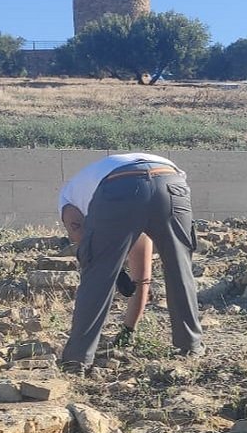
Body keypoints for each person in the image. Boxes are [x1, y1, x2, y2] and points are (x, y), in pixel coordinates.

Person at [58, 152, 203, 372]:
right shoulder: (91, 182)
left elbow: (82, 238)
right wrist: (129, 327)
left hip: (120, 188)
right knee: (180, 268)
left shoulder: (67, 199)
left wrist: (108, 267)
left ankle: (77, 359)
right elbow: (142, 277)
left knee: (97, 276)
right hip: (171, 183)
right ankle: (191, 346)